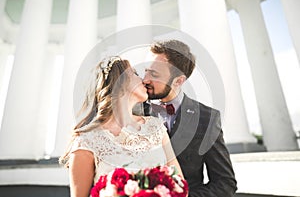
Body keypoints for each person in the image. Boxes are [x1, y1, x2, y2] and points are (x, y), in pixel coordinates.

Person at [59, 56, 184, 197]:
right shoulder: (86, 142)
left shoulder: (156, 128)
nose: (143, 80)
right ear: (120, 82)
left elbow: (179, 186)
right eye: (135, 74)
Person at [142, 39, 237, 197]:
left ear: (179, 81)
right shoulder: (133, 111)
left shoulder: (207, 118)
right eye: (146, 70)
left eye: (154, 74)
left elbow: (225, 184)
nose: (145, 79)